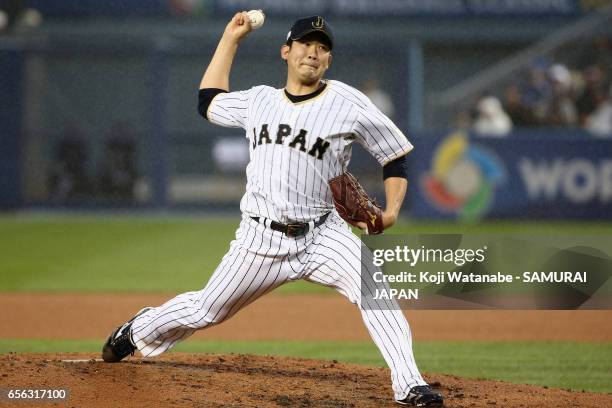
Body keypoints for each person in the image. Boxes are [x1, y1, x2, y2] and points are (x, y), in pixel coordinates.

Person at [101, 13, 443, 407]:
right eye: (305, 44)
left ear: (328, 60)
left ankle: (410, 384)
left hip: (324, 233)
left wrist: (393, 210)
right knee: (207, 309)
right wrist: (231, 37)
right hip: (260, 239)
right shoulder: (260, 101)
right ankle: (138, 329)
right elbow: (208, 102)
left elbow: (395, 157)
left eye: (322, 47)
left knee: (375, 292)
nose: (313, 53)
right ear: (286, 51)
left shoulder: (349, 103)